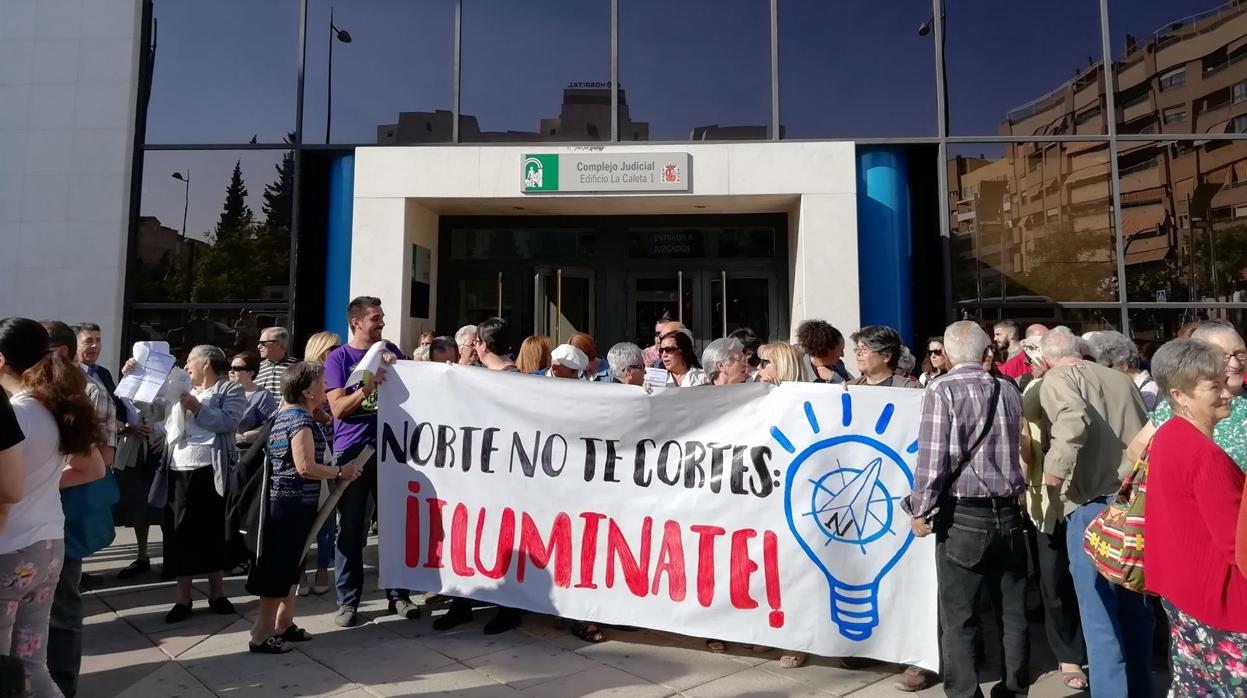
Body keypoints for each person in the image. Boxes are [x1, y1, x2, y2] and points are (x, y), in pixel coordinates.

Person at [908, 320, 1028, 698]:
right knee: (1012, 614)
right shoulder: (1009, 389)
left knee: (959, 616)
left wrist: (919, 509)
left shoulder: (942, 389)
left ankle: (964, 692)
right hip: (1008, 512)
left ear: (947, 353)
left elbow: (933, 460)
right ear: (987, 352)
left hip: (964, 515)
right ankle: (1014, 689)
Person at [1038, 326, 1150, 698]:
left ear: (1046, 359)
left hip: (1091, 506)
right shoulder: (1121, 380)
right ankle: (1140, 688)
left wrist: (1053, 473)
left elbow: (1073, 420)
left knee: (1099, 612)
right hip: (1133, 504)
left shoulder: (1057, 378)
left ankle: (1110, 692)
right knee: (1135, 607)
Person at [0, 318, 104, 698]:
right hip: (48, 547)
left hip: (9, 550)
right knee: (32, 665)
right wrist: (38, 482)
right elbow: (94, 468)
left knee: (3, 668)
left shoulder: (14, 414)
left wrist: (23, 487)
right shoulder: (51, 406)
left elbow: (7, 492)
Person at [1143, 338, 1247, 693]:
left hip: (1182, 594)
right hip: (1222, 605)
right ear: (1179, 395)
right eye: (1214, 387)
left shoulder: (1168, 435)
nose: (1227, 393)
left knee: (1194, 685)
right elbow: (1239, 548)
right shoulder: (1205, 456)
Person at [247, 362, 363, 654]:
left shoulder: (289, 414)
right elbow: (306, 467)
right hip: (288, 507)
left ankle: (283, 624)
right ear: (308, 391)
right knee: (279, 570)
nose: (326, 387)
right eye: (322, 383)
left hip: (290, 505)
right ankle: (261, 634)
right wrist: (342, 471)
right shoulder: (299, 421)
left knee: (291, 567)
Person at [323, 297, 416, 627]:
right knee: (350, 529)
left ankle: (399, 594)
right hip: (353, 454)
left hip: (391, 451)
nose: (382, 323)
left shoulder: (390, 350)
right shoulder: (338, 359)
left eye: (382, 317)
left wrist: (400, 365)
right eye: (376, 318)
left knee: (394, 525)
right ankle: (348, 601)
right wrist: (366, 388)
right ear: (356, 322)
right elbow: (337, 409)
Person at [43, 320, 118, 697]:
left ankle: (62, 684)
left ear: (57, 352)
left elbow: (102, 459)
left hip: (65, 507)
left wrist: (38, 479)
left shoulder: (86, 390)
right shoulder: (35, 391)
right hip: (38, 508)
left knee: (62, 603)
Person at [437, 317, 524, 635]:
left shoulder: (513, 379)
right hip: (473, 474)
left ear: (483, 345)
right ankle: (461, 603)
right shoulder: (478, 376)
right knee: (465, 537)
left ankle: (509, 608)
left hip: (501, 476)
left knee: (500, 539)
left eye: (476, 342)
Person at [1018, 341, 1087, 691]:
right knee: (1054, 578)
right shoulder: (1033, 389)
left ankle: (1089, 644)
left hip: (1084, 493)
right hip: (1046, 499)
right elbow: (1027, 429)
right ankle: (1068, 653)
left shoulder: (1089, 381)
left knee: (1087, 578)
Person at [161, 344, 244, 625]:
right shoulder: (179, 389)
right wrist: (136, 378)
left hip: (211, 470)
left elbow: (229, 421)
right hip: (178, 468)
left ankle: (217, 593)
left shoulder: (229, 389)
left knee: (213, 532)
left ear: (206, 363)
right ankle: (182, 597)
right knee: (179, 533)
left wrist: (196, 407)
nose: (186, 367)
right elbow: (151, 409)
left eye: (189, 361)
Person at [1127, 321, 1247, 473]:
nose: (1235, 363)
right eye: (1223, 356)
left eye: (1240, 354)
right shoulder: (1180, 403)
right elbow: (1136, 450)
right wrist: (1178, 477)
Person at [301, 331, 340, 597]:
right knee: (302, 519)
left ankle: (323, 568)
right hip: (305, 453)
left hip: (329, 454)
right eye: (333, 348)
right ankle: (300, 571)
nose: (337, 352)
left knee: (327, 516)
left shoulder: (336, 375)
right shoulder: (303, 375)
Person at [1084, 331, 1158, 411]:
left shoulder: (1148, 391)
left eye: (1107, 367)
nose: (1103, 373)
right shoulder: (1132, 388)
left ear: (1123, 364)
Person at [230, 352, 277, 448]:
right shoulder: (224, 393)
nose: (231, 372)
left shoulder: (263, 396)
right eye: (230, 367)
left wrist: (245, 437)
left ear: (250, 373)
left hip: (246, 451)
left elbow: (272, 424)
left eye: (236, 368)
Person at [849, 326, 917, 388]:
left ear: (886, 356)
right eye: (857, 349)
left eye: (864, 349)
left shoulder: (909, 389)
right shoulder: (849, 388)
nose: (858, 353)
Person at [256, 326, 299, 397]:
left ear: (278, 344)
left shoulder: (298, 367)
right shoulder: (257, 367)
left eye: (263, 343)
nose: (259, 346)